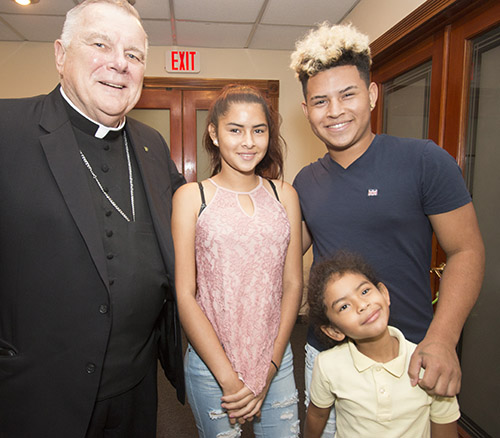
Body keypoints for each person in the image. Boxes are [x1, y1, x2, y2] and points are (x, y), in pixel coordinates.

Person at [290, 22, 485, 436]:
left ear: (372, 94)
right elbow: (282, 258)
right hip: (329, 356)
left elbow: (467, 251)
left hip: (413, 356)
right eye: (320, 101)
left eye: (348, 94)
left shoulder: (424, 161)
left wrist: (443, 339)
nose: (335, 111)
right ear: (306, 110)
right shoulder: (305, 182)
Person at [0, 1, 185, 437]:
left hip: (138, 389)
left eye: (134, 55)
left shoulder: (152, 144)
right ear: (61, 54)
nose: (119, 64)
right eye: (101, 44)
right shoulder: (6, 128)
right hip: (36, 393)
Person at [172, 84, 303, 437]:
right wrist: (229, 379)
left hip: (276, 358)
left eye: (258, 130)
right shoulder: (191, 197)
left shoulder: (284, 194)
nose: (248, 142)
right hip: (212, 365)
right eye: (235, 130)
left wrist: (271, 366)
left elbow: (292, 284)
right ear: (214, 133)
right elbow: (185, 294)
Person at [304, 251, 460, 438]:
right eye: (344, 306)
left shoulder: (429, 365)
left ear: (384, 294)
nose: (362, 305)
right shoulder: (327, 364)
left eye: (364, 291)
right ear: (334, 331)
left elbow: (444, 426)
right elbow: (317, 414)